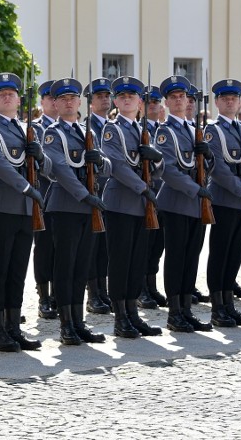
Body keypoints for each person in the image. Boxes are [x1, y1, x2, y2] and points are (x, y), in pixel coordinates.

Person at [0, 72, 52, 352]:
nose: (8, 97)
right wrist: (27, 189)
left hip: (23, 209)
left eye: (12, 94)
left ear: (19, 100)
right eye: (1, 94)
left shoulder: (26, 129)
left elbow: (47, 168)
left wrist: (40, 155)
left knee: (18, 269)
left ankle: (14, 327)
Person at [42, 78, 110, 345]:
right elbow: (60, 169)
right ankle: (66, 324)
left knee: (83, 266)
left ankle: (79, 322)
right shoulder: (53, 133)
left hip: (89, 206)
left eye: (73, 98)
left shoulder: (88, 132)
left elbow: (106, 166)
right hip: (67, 205)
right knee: (65, 266)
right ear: (56, 104)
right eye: (63, 99)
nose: (69, 102)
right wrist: (86, 196)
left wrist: (100, 162)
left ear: (80, 102)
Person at [99, 76, 163, 338]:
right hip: (121, 203)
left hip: (141, 205)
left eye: (132, 96)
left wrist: (157, 160)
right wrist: (144, 188)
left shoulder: (144, 129)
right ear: (116, 101)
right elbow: (116, 165)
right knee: (120, 261)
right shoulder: (111, 129)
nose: (127, 99)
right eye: (122, 96)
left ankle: (133, 313)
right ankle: (120, 317)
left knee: (138, 261)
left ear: (140, 102)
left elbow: (159, 169)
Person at [155, 75, 214, 333]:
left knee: (192, 258)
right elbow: (167, 169)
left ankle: (187, 308)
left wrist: (209, 158)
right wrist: (197, 190)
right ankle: (175, 313)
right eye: (174, 97)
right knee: (177, 258)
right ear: (166, 102)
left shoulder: (194, 129)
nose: (179, 101)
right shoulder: (165, 132)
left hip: (196, 203)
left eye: (183, 97)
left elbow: (204, 168)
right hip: (177, 202)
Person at [203, 79, 241, 327]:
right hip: (226, 199)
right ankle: (218, 308)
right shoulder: (213, 130)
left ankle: (229, 303)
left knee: (236, 252)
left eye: (234, 98)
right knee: (220, 253)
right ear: (217, 102)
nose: (230, 101)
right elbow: (217, 167)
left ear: (239, 102)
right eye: (225, 98)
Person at [83, 78, 113, 315]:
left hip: (110, 193)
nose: (105, 99)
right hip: (94, 192)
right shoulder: (87, 128)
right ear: (90, 102)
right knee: (92, 249)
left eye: (106, 95)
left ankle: (103, 292)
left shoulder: (112, 126)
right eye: (99, 96)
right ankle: (93, 295)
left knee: (105, 248)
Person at [137, 85, 167, 309]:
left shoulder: (164, 131)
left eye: (156, 102)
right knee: (144, 246)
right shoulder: (138, 130)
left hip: (162, 195)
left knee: (157, 245)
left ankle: (152, 285)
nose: (153, 106)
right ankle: (141, 290)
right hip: (144, 194)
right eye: (149, 103)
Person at [32, 80, 57, 319]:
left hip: (65, 198)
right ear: (43, 102)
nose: (54, 101)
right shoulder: (36, 129)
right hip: (44, 195)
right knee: (44, 248)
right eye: (49, 97)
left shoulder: (71, 127)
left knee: (63, 249)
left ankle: (60, 293)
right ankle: (44, 296)